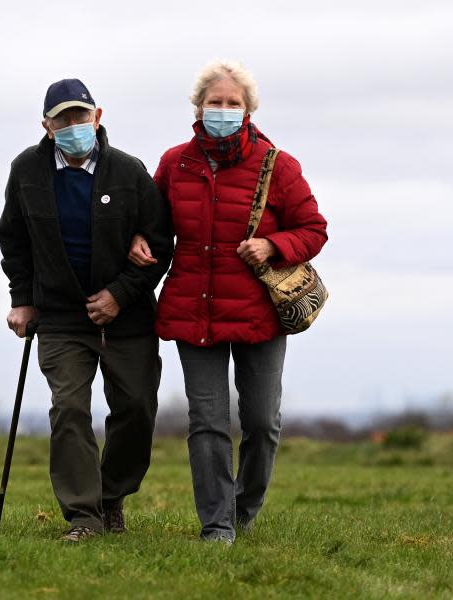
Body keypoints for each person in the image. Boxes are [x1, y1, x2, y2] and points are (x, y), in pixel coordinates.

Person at [128, 60, 328, 544]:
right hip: (193, 311)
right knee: (208, 423)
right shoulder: (175, 163)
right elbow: (156, 225)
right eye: (214, 102)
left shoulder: (278, 165)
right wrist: (138, 237)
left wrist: (273, 245)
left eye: (232, 103)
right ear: (199, 107)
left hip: (260, 314)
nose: (222, 110)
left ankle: (244, 509)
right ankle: (216, 524)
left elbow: (314, 229)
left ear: (248, 109)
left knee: (261, 422)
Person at [0, 78, 173, 543]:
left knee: (136, 409)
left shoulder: (129, 172)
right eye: (63, 119)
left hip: (128, 318)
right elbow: (11, 238)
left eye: (81, 116)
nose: (74, 126)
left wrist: (120, 292)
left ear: (98, 117)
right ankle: (84, 518)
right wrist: (22, 298)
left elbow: (160, 242)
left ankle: (111, 494)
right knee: (70, 409)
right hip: (59, 317)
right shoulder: (27, 171)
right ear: (47, 126)